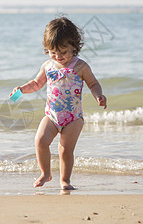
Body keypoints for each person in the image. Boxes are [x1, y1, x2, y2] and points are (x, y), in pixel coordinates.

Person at [10, 17, 107, 190]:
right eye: (53, 52)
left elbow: (93, 83)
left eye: (63, 52)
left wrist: (98, 95)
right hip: (52, 115)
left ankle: (65, 180)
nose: (58, 56)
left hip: (73, 118)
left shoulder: (80, 66)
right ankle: (45, 173)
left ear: (74, 47)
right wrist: (21, 90)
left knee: (65, 150)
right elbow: (36, 84)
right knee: (40, 141)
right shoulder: (48, 66)